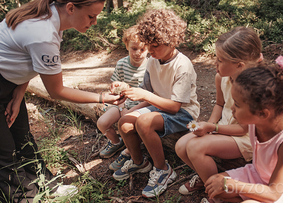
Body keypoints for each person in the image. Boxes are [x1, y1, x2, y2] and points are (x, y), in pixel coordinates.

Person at [0, 0, 123, 202]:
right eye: (91, 16)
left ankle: (48, 185)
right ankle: (27, 197)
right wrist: (101, 98)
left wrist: (20, 92)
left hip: (10, 84)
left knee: (23, 138)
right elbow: (56, 91)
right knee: (4, 152)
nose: (95, 22)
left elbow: (26, 59)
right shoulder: (43, 33)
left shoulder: (50, 19)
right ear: (71, 7)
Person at [112, 9, 200, 198]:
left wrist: (146, 97)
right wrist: (131, 106)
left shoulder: (182, 65)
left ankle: (163, 169)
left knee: (144, 122)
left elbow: (175, 106)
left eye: (155, 46)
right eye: (148, 46)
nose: (150, 51)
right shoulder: (153, 60)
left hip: (184, 112)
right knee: (125, 123)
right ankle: (139, 162)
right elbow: (148, 92)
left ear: (172, 41)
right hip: (159, 107)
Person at [203, 48, 283, 203]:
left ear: (263, 113)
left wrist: (234, 185)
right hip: (259, 175)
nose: (232, 108)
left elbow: (274, 193)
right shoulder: (254, 121)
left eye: (236, 104)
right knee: (213, 183)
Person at [175, 26, 263, 195]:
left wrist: (213, 129)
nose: (215, 64)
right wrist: (208, 125)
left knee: (195, 148)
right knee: (181, 146)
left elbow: (243, 129)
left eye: (220, 61)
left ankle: (218, 194)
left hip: (244, 138)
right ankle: (206, 178)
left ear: (239, 65)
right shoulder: (220, 77)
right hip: (223, 128)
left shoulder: (252, 88)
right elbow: (219, 105)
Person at [97, 24, 148, 171]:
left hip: (141, 106)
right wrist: (115, 87)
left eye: (142, 49)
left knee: (126, 125)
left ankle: (128, 150)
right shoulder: (121, 64)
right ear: (126, 45)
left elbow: (150, 94)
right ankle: (115, 142)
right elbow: (114, 84)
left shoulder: (151, 66)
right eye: (134, 48)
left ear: (149, 49)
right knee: (102, 123)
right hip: (122, 104)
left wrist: (128, 109)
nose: (138, 53)